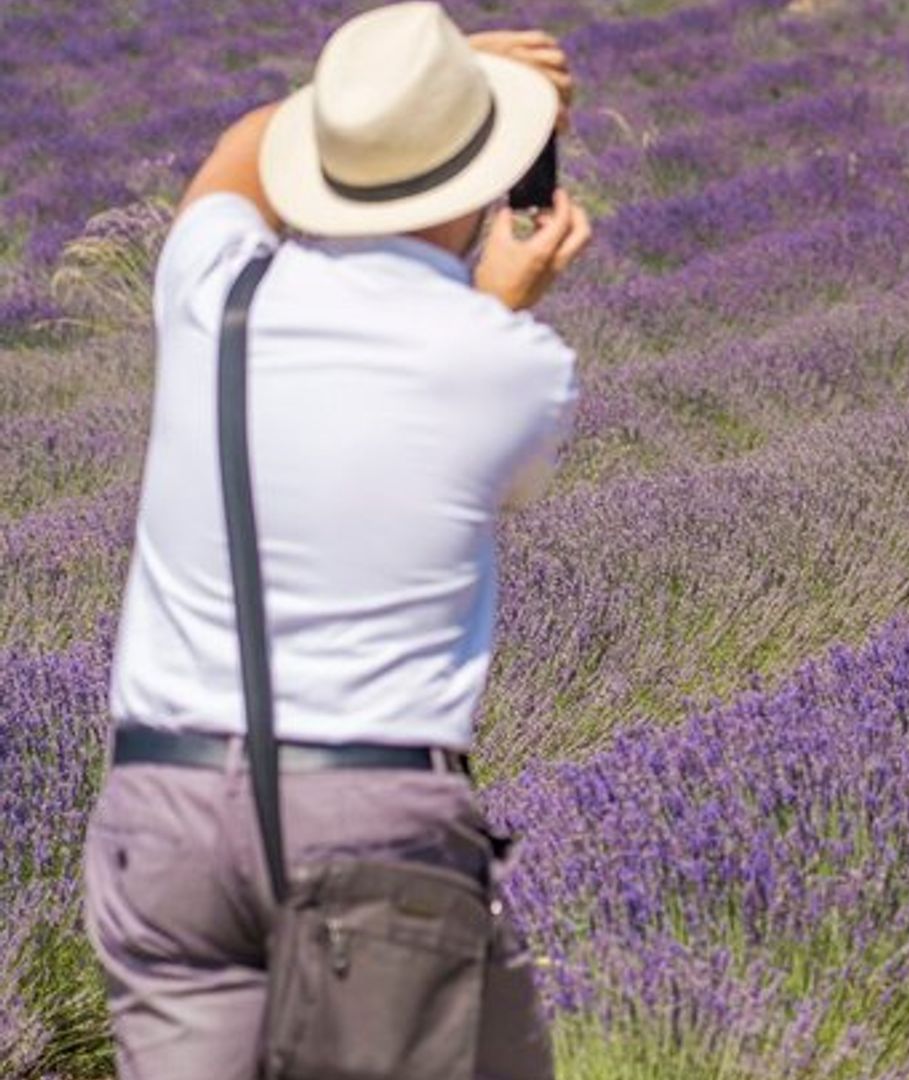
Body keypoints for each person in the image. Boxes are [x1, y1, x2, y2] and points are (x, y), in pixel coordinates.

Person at [81, 4, 591, 1077]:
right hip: (370, 817)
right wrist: (501, 303)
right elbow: (481, 481)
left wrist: (386, 105)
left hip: (162, 807)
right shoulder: (505, 364)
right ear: (481, 180)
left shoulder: (212, 284)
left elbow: (235, 156)